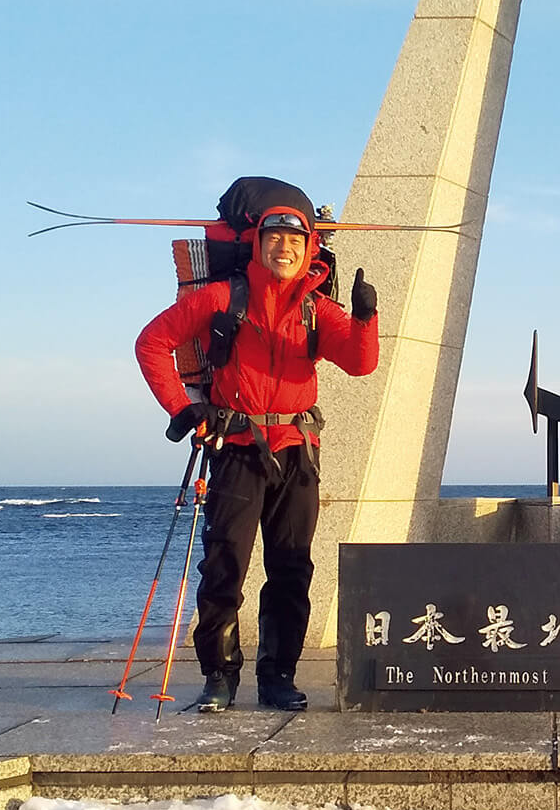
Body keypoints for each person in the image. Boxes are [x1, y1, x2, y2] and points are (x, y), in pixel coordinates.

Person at [135, 186, 378, 712]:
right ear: (257, 243)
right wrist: (183, 409)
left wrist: (363, 320)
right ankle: (219, 678)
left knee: (292, 569)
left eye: (294, 238)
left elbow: (360, 364)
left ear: (310, 247)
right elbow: (151, 342)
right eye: (274, 237)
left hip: (297, 453)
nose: (284, 247)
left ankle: (278, 677)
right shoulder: (223, 297)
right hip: (237, 448)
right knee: (225, 567)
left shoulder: (316, 309)